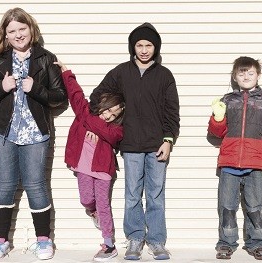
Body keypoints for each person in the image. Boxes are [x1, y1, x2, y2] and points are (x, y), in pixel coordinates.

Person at [0, 7, 67, 261]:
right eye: (12, 30)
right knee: (4, 185)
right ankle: (0, 241)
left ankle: (43, 241)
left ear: (31, 29)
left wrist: (36, 88)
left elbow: (60, 97)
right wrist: (1, 87)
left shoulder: (46, 59)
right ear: (5, 34)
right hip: (3, 132)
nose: (18, 34)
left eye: (22, 29)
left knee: (37, 185)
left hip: (36, 133)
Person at [90, 22, 180, 260]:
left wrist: (168, 140)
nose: (143, 50)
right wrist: (102, 124)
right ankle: (135, 238)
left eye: (148, 45)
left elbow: (172, 112)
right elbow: (97, 96)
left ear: (155, 47)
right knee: (132, 194)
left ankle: (157, 241)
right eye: (139, 45)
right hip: (129, 146)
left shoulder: (164, 75)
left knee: (155, 194)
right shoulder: (121, 72)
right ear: (132, 47)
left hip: (156, 145)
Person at [55, 60, 125, 261]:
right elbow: (76, 95)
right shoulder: (85, 113)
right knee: (86, 199)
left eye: (114, 114)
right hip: (83, 167)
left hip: (103, 170)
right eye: (108, 110)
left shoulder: (115, 129)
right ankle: (93, 213)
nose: (109, 116)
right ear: (101, 105)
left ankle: (109, 244)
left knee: (104, 204)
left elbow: (113, 136)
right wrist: (67, 73)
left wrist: (92, 125)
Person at [208, 56, 262, 261]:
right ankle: (226, 243)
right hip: (229, 163)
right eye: (241, 73)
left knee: (254, 207)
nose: (246, 76)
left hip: (255, 164)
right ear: (235, 77)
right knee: (227, 206)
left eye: (250, 72)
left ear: (258, 75)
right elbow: (217, 133)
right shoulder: (227, 100)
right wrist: (217, 117)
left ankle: (256, 243)